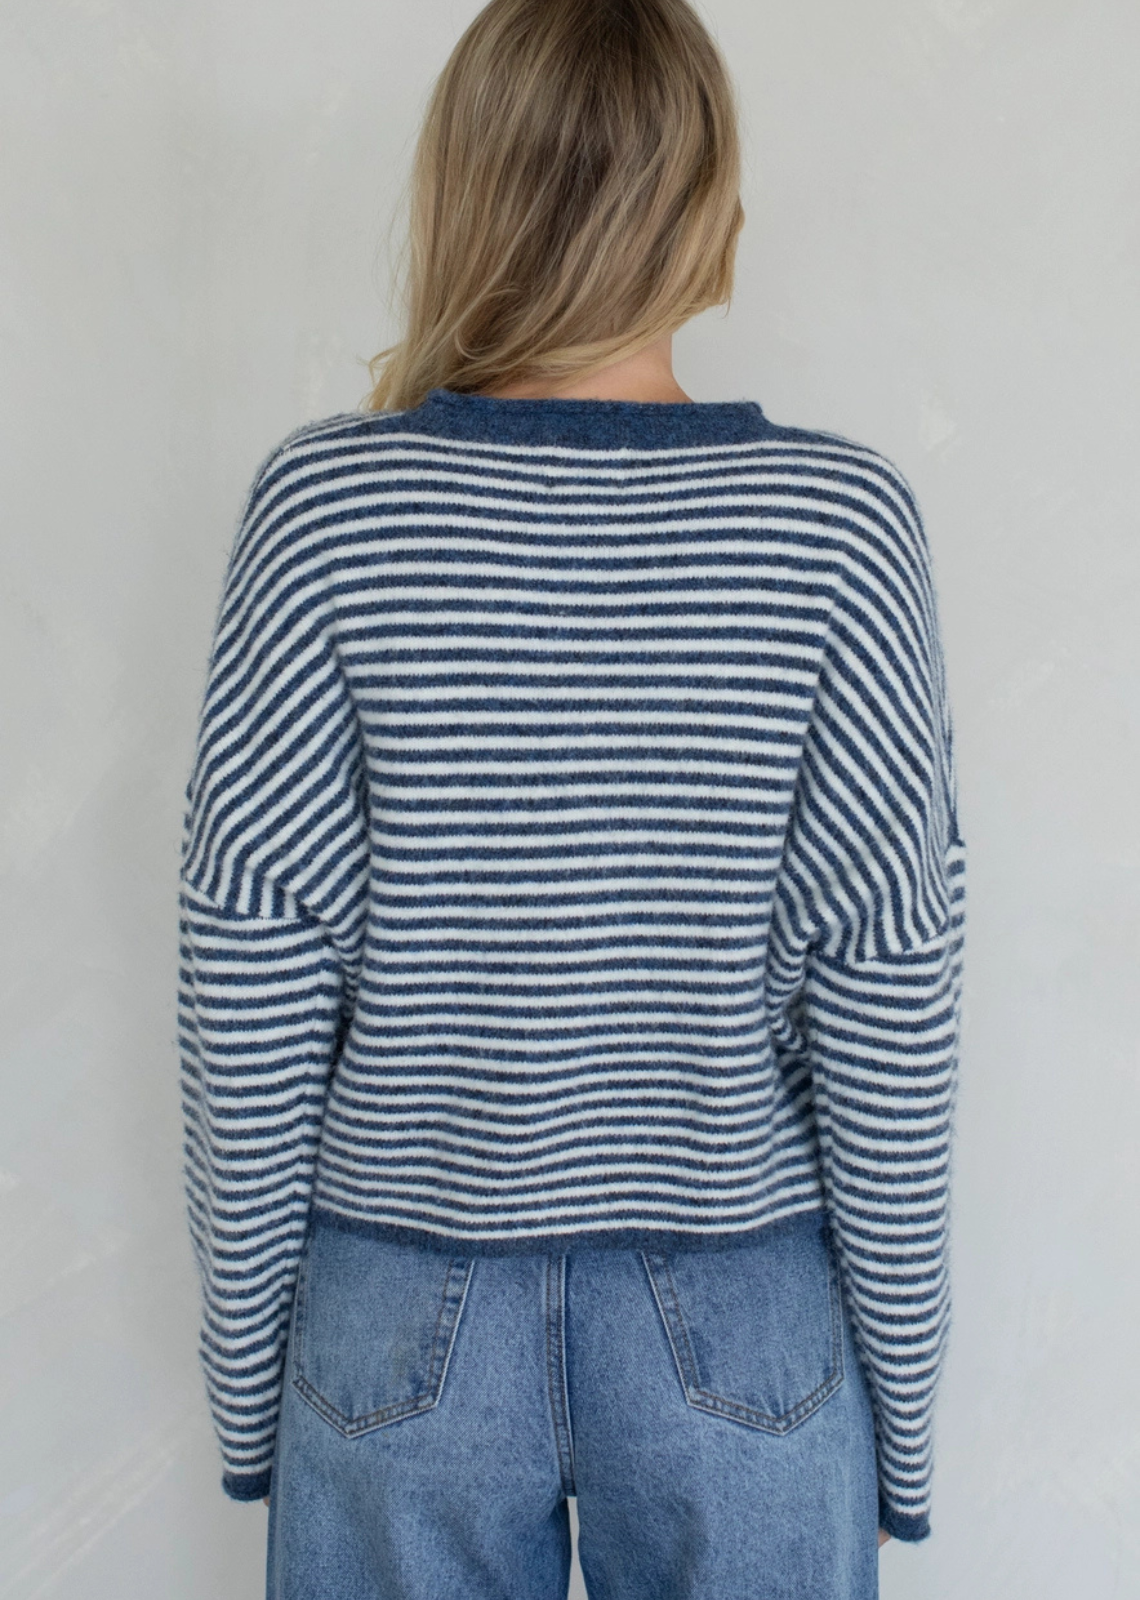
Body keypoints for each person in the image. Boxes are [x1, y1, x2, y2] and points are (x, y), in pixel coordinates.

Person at [178, 1, 967, 1595]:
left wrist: (259, 1387)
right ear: (711, 203)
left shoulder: (328, 513)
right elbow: (889, 1004)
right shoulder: (839, 530)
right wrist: (901, 1413)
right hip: (743, 1313)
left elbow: (248, 981)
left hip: (395, 1314)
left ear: (463, 186)